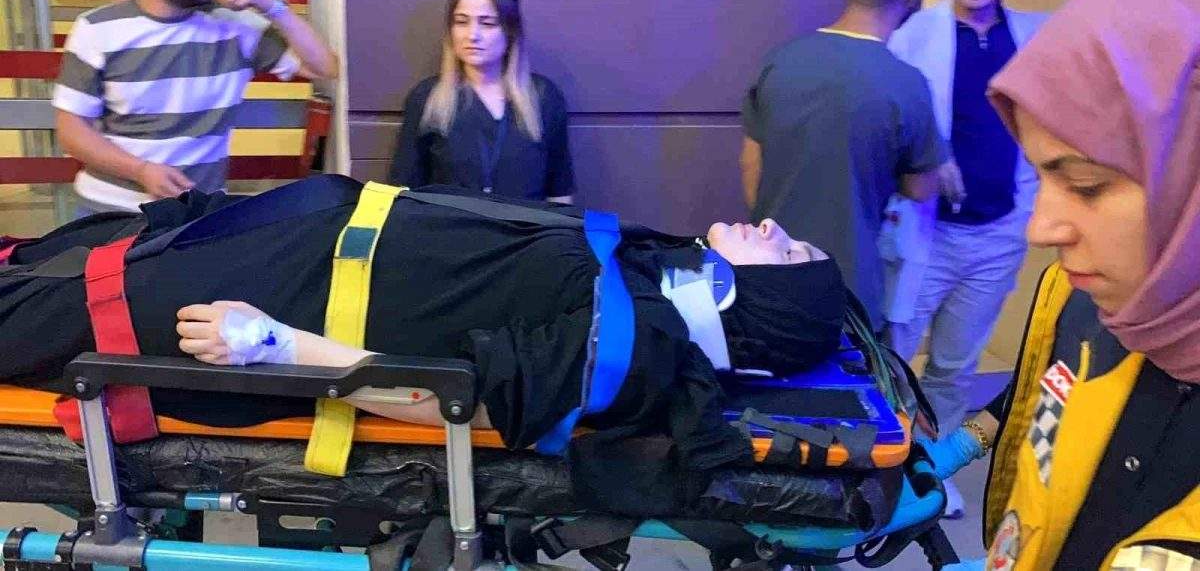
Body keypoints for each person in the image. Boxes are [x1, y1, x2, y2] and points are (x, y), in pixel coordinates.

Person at [0, 174, 845, 474]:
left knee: (31, 312)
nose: (775, 226)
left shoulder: (637, 347)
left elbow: (461, 398)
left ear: (772, 304)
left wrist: (279, 345)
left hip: (246, 303)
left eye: (792, 250)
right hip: (269, 238)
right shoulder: (648, 267)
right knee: (47, 256)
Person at [919, 0, 1200, 569]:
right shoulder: (1087, 301)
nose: (1042, 228)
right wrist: (960, 448)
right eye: (1043, 175)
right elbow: (1048, 388)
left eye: (1086, 184)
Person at [882, 0, 1047, 517]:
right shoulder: (914, 36)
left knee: (954, 366)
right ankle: (880, 468)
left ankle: (930, 471)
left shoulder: (1033, 37)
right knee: (893, 358)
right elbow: (891, 129)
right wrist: (931, 158)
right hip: (927, 234)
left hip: (997, 235)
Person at [51, 0, 338, 217]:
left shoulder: (235, 27)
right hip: (108, 212)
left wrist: (270, 6)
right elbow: (72, 131)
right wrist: (141, 170)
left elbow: (324, 67)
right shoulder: (98, 29)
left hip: (198, 214)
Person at [740, 0, 945, 334]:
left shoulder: (781, 61)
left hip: (767, 274)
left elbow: (751, 167)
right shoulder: (907, 85)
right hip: (848, 291)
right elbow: (921, 189)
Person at [389, 0, 575, 203]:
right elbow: (402, 191)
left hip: (525, 225)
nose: (472, 35)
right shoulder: (426, 98)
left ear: (510, 31)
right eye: (461, 22)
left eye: (487, 23)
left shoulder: (544, 97)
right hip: (450, 225)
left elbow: (560, 193)